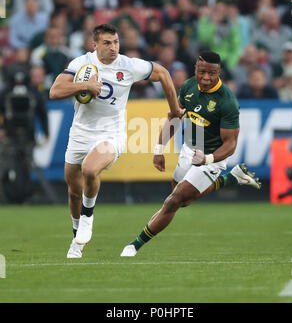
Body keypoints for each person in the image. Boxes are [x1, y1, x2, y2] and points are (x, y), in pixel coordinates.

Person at [49, 24, 185, 258]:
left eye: (116, 42)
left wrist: (174, 108)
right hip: (80, 133)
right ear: (95, 45)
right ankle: (76, 237)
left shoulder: (128, 65)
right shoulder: (82, 63)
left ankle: (87, 216)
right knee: (73, 190)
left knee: (90, 169)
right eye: (107, 43)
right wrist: (85, 85)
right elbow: (54, 91)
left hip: (111, 133)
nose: (113, 48)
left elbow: (162, 72)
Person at [121, 51, 261, 257]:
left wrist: (208, 159)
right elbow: (175, 117)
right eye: (202, 71)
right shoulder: (188, 86)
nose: (206, 77)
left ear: (219, 72)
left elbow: (230, 144)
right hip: (189, 149)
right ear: (195, 69)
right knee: (183, 200)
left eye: (212, 73)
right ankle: (231, 178)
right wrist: (159, 149)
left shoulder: (227, 101)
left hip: (212, 158)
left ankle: (134, 245)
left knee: (173, 201)